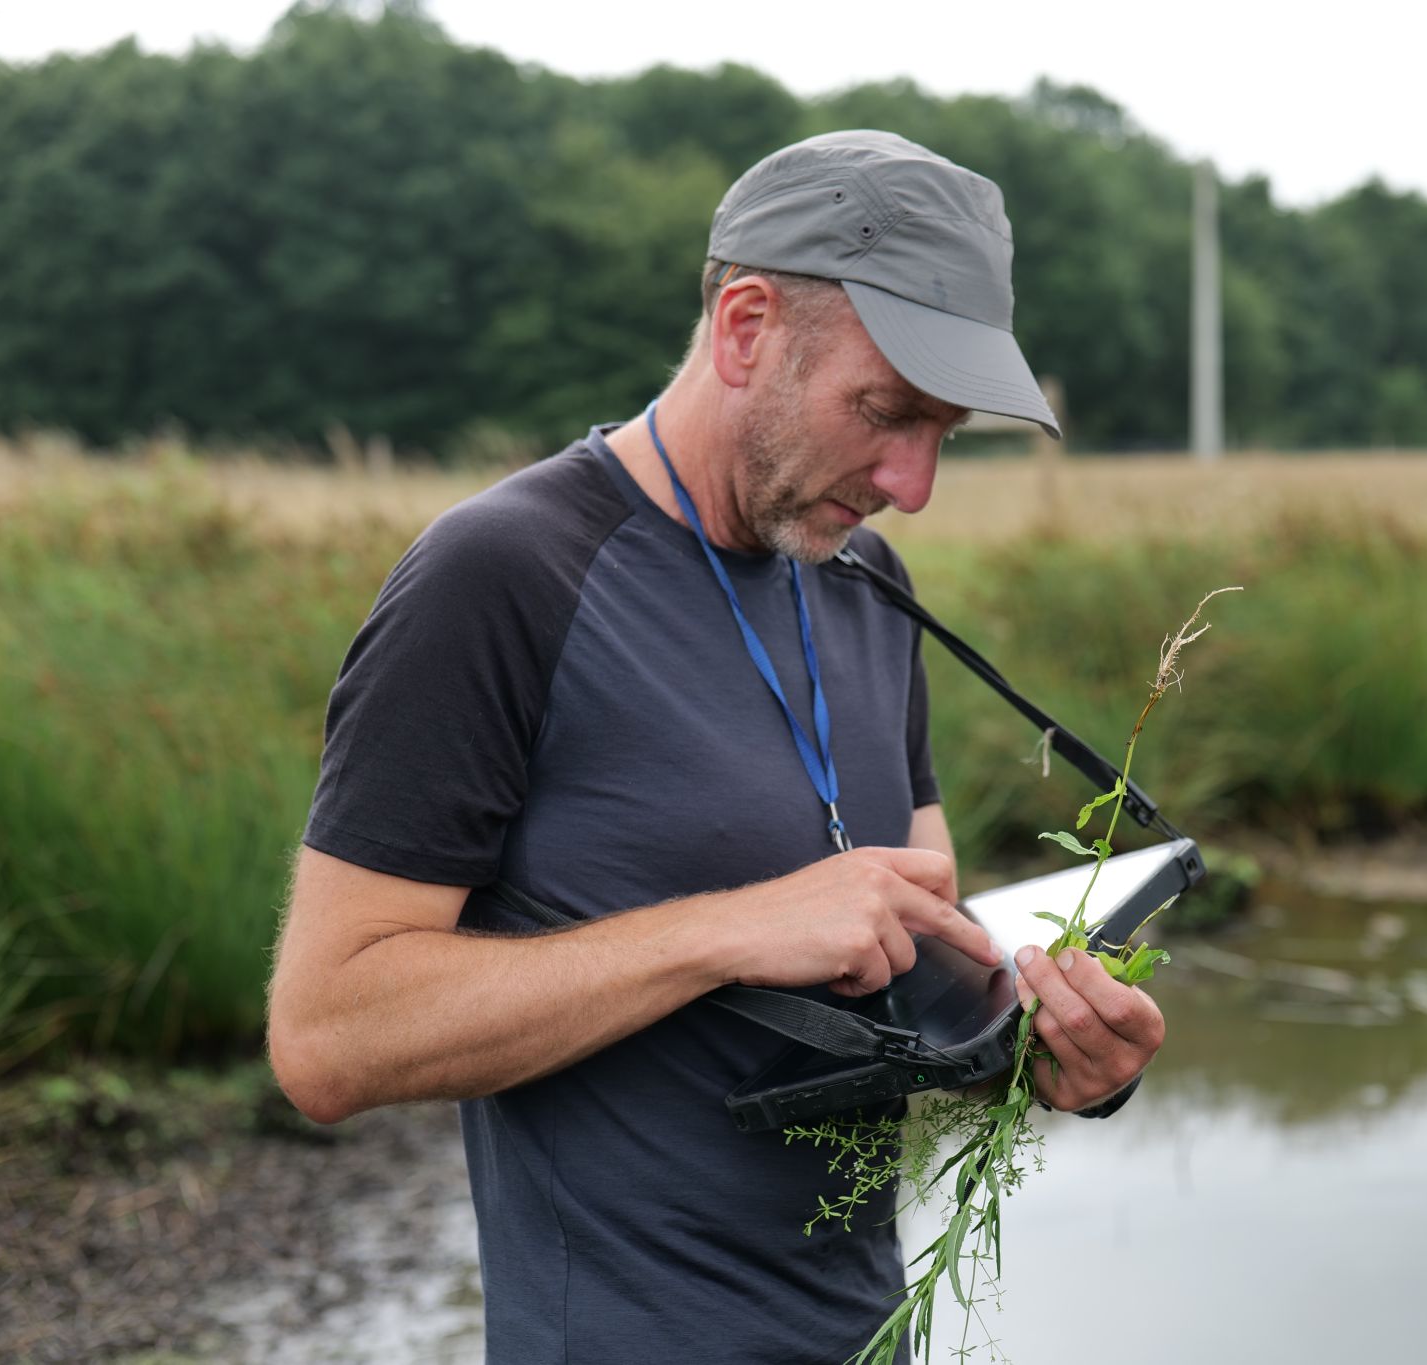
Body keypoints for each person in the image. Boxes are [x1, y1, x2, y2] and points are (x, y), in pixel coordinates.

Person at [266, 130, 1166, 1362]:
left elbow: (916, 985)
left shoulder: (864, 581)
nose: (912, 483)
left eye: (944, 431)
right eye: (885, 412)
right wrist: (726, 930)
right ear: (745, 327)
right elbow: (327, 1039)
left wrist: (1053, 1049)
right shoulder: (501, 575)